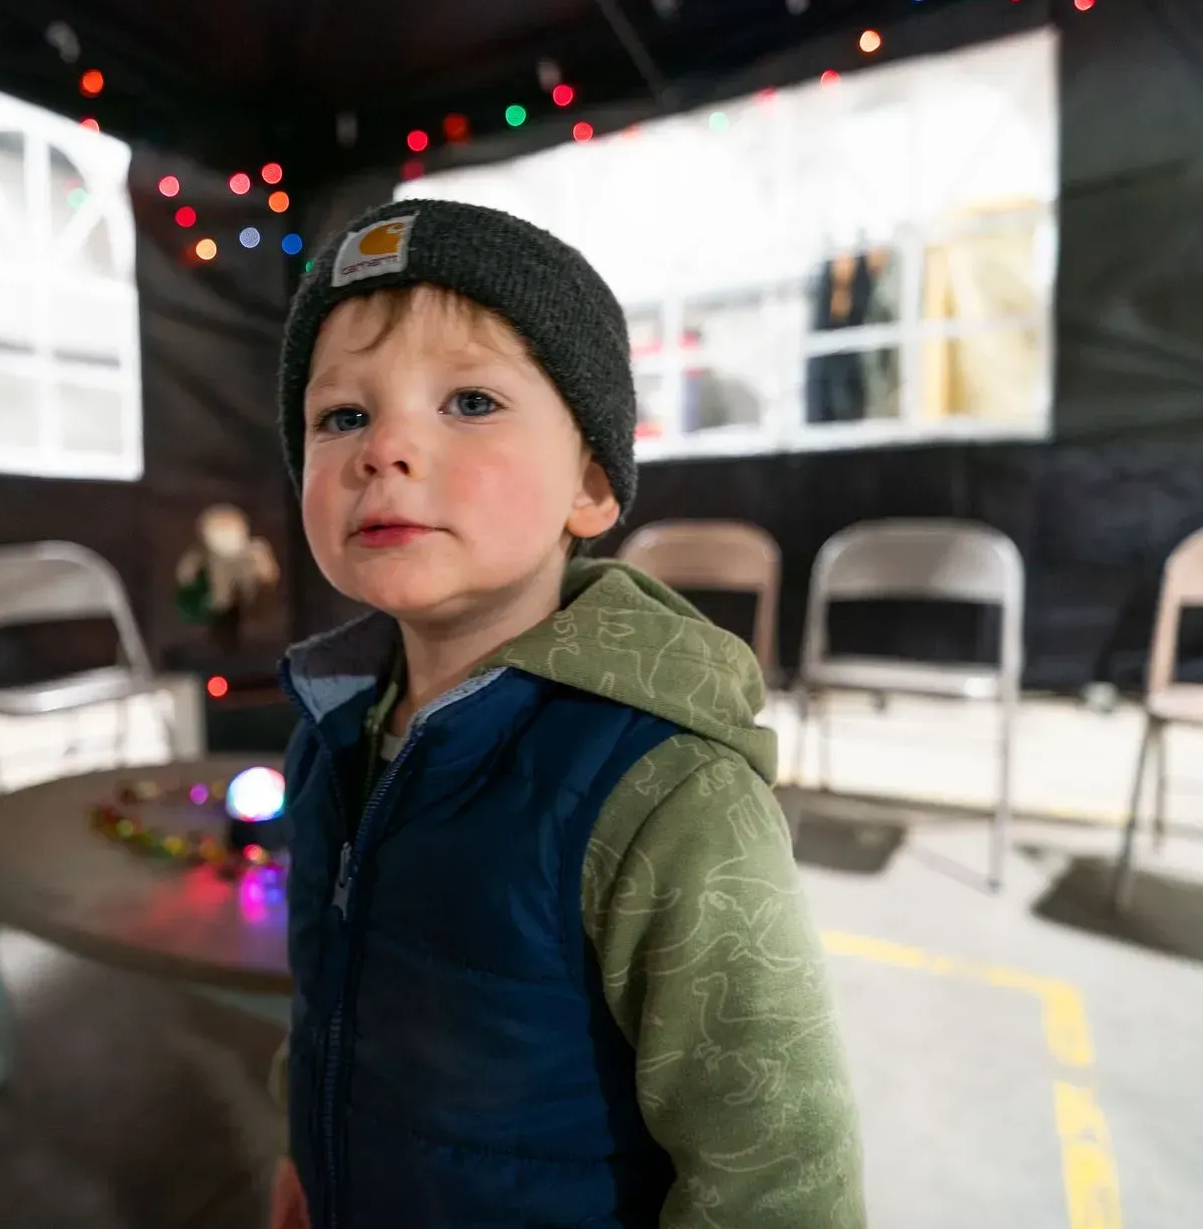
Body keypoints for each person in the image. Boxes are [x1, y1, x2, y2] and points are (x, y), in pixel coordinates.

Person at [269, 199, 864, 1228]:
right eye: (343, 416)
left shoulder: (670, 792)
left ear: (591, 481)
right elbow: (325, 988)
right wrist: (301, 1155)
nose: (386, 448)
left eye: (468, 400)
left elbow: (777, 1167)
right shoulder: (334, 728)